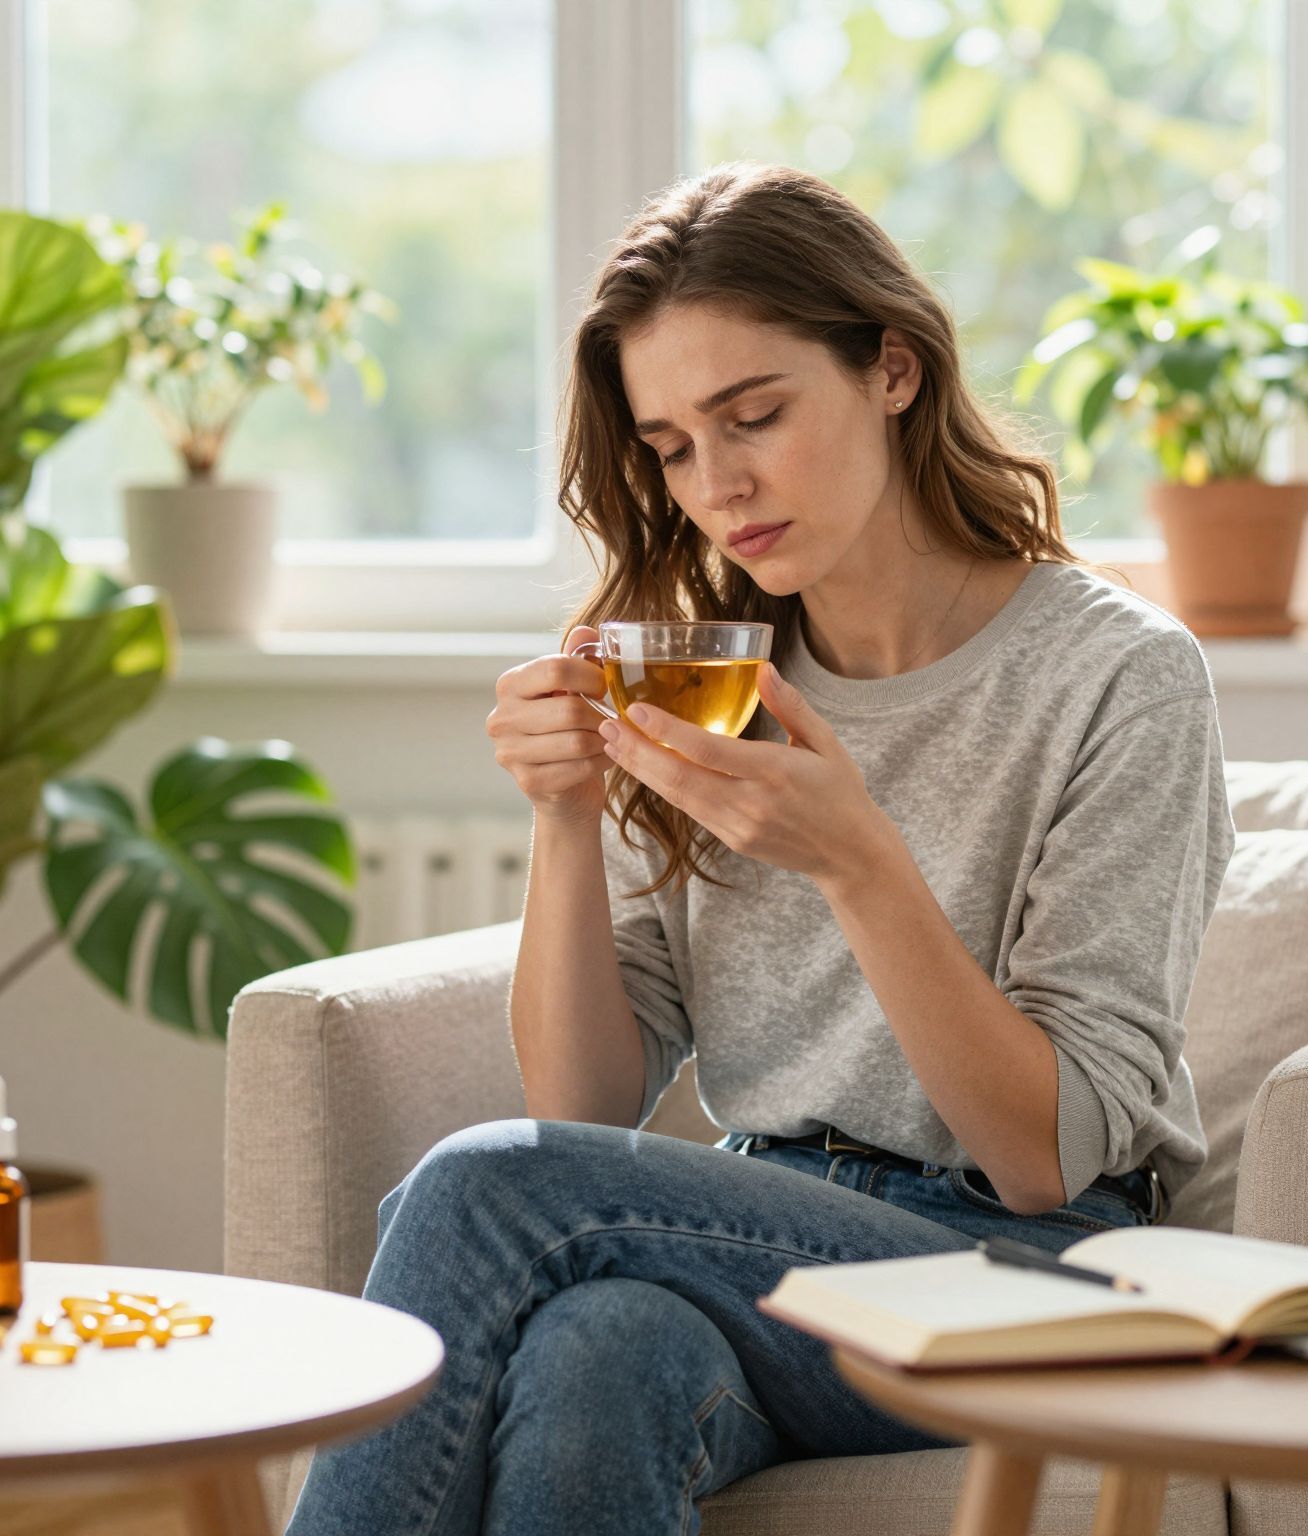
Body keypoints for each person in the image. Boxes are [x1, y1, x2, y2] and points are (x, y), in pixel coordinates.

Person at [283, 161, 1234, 1536]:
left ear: (892, 370)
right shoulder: (705, 678)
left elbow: (1045, 1157)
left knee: (487, 1185)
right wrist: (561, 818)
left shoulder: (1119, 676)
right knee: (595, 1354)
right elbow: (588, 1101)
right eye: (671, 446)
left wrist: (860, 863)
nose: (715, 485)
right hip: (766, 1236)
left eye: (755, 416)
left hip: (1041, 1270)